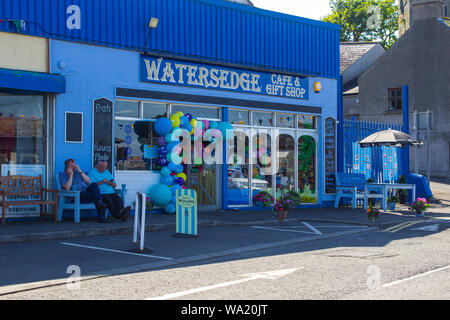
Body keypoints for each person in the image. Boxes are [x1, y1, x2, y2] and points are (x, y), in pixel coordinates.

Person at [59, 158, 109, 223]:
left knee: (94, 185)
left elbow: (88, 181)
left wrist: (80, 171)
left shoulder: (78, 173)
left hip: (86, 193)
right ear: (67, 167)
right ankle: (101, 217)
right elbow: (67, 188)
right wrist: (70, 175)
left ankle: (100, 205)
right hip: (76, 196)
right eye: (71, 166)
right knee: (98, 197)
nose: (73, 168)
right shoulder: (63, 175)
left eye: (74, 166)